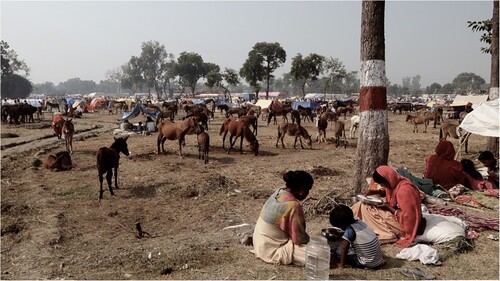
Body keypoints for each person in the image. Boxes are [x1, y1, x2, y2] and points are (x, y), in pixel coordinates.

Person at [252, 170, 314, 266]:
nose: (308, 193)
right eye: (308, 190)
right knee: (319, 255)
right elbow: (298, 239)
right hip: (272, 250)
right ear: (302, 190)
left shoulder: (278, 193)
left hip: (260, 244)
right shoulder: (292, 205)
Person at [351, 165, 423, 248]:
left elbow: (409, 217)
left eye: (382, 184)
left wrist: (388, 207)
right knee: (362, 204)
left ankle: (387, 235)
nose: (383, 186)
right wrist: (374, 192)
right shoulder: (395, 182)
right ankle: (349, 221)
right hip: (398, 217)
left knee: (367, 208)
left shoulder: (405, 191)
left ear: (388, 180)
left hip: (406, 226)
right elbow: (388, 191)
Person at [329, 204, 385, 269]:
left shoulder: (350, 230)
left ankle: (364, 265)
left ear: (342, 225)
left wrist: (341, 264)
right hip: (378, 260)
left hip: (368, 263)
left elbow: (344, 249)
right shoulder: (361, 223)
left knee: (338, 251)